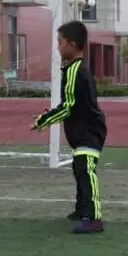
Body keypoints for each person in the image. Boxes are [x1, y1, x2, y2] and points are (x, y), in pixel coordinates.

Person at [31, 20, 107, 234]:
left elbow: (68, 107)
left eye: (60, 42)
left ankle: (94, 218)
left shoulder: (75, 70)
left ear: (72, 45)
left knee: (85, 169)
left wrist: (42, 122)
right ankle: (82, 209)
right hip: (84, 130)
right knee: (79, 168)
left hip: (89, 131)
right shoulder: (74, 69)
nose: (57, 46)